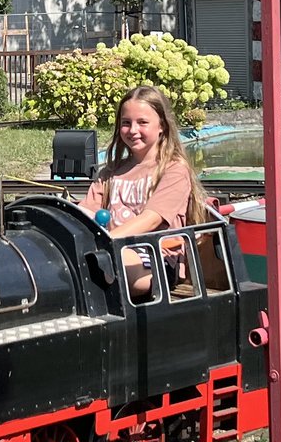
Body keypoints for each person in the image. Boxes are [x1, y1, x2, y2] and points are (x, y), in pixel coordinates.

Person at [78, 85, 205, 296]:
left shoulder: (174, 170)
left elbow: (151, 219)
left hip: (157, 257)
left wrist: (105, 243)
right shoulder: (110, 172)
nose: (133, 130)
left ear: (162, 126)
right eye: (126, 123)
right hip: (110, 250)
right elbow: (85, 212)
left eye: (142, 122)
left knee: (110, 262)